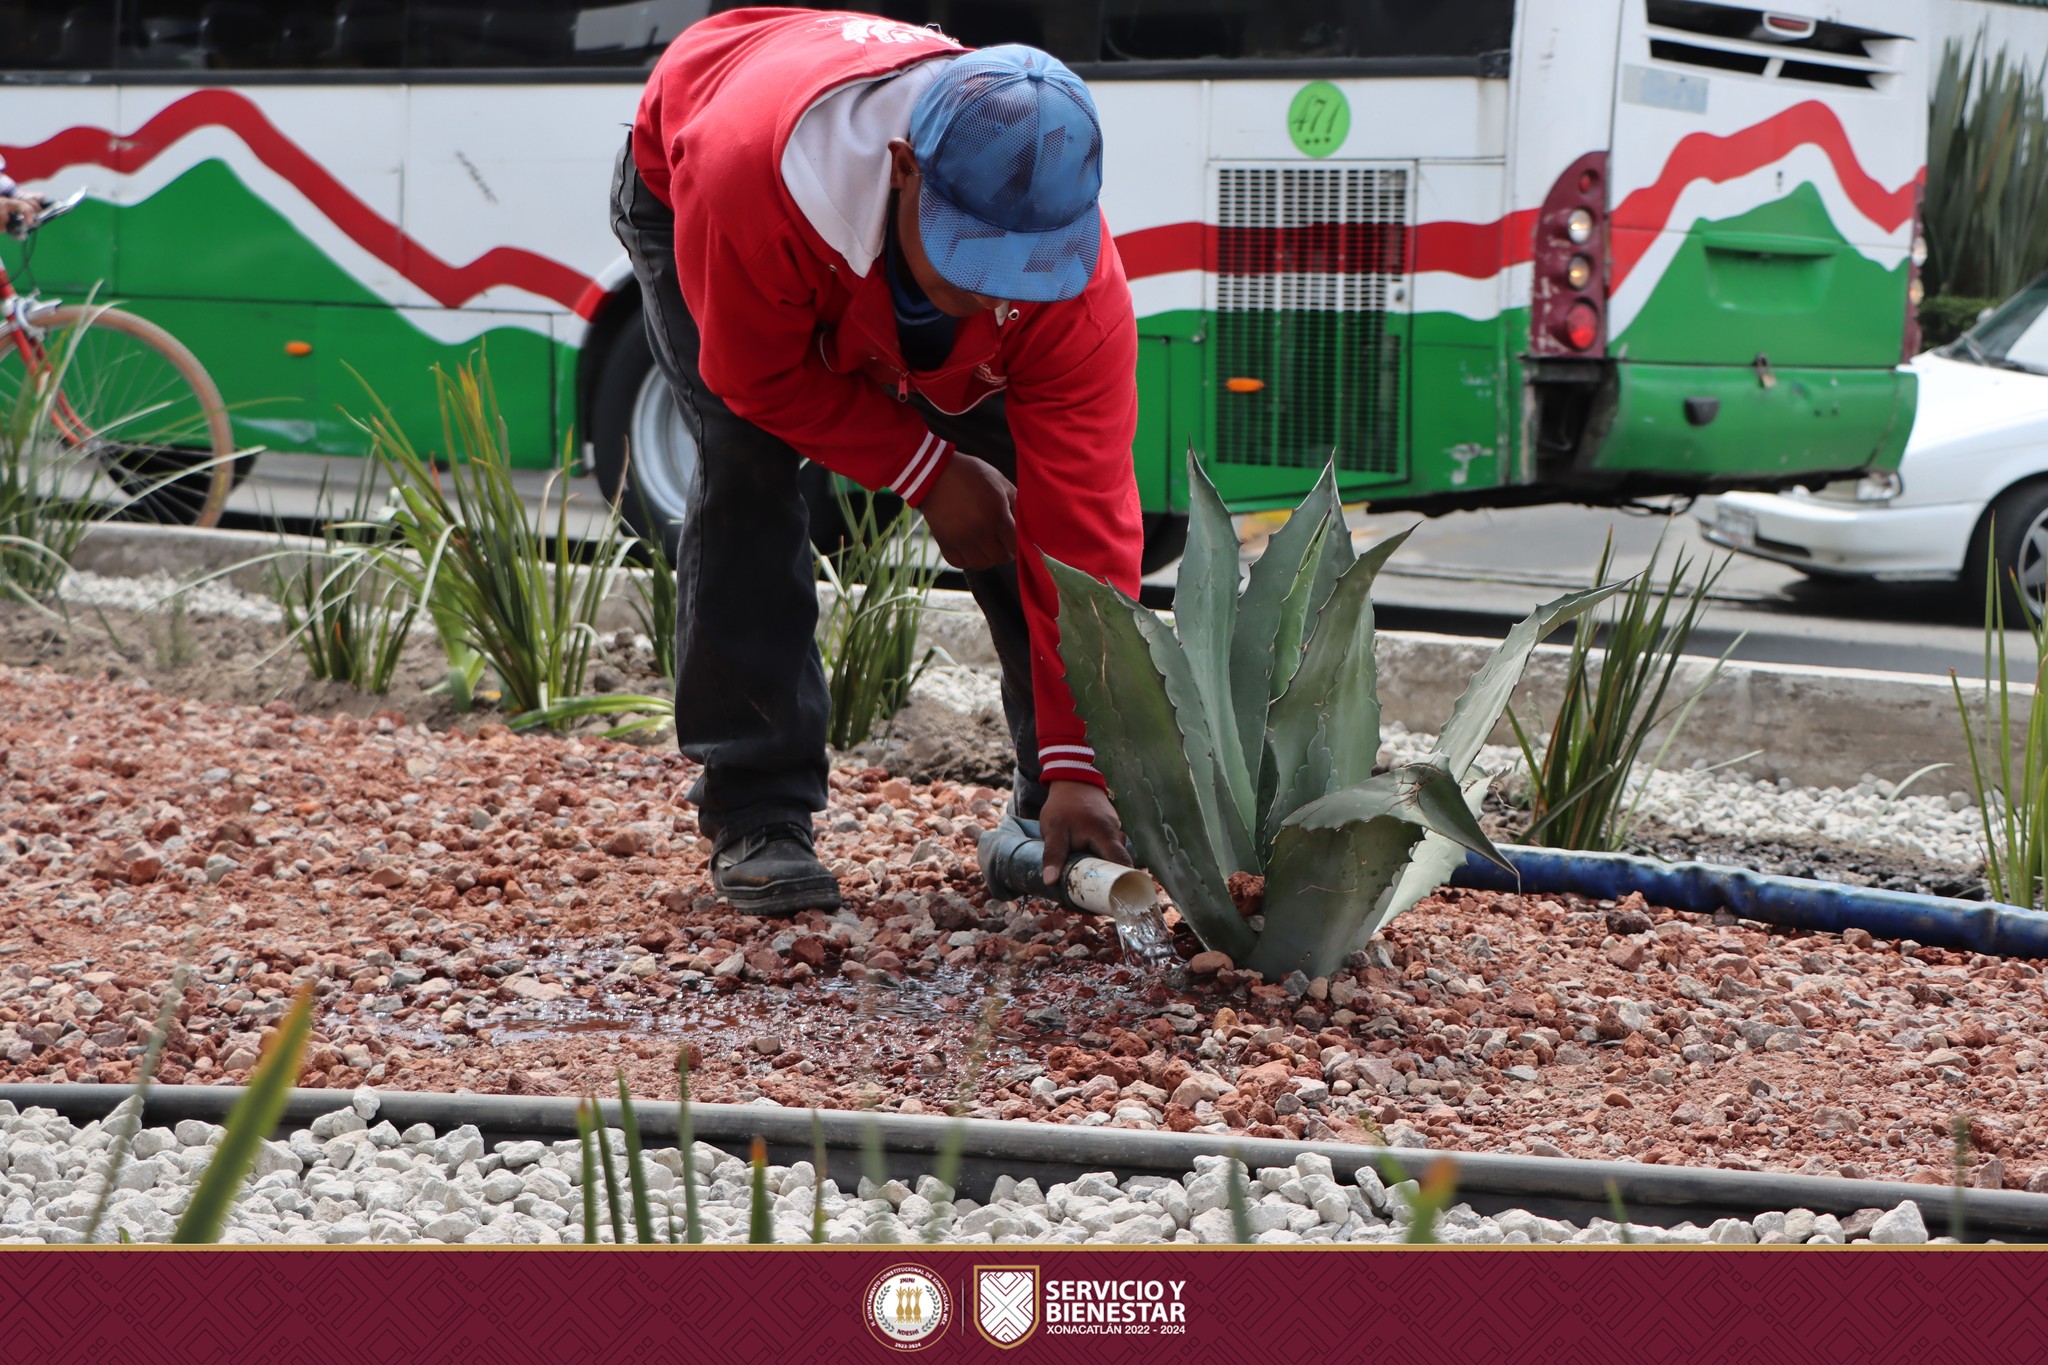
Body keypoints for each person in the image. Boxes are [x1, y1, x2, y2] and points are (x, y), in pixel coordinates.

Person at [614, 9, 1142, 915]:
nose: (999, 297)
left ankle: (1051, 799)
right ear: (906, 169)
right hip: (701, 179)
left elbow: (1085, 521)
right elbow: (760, 377)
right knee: (747, 466)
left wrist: (1085, 761)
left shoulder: (1075, 290)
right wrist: (928, 472)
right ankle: (756, 807)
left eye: (1030, 270)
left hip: (843, 222)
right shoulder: (757, 176)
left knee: (1022, 502)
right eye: (976, 263)